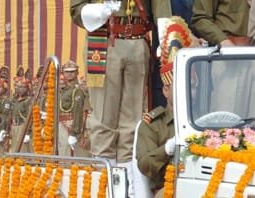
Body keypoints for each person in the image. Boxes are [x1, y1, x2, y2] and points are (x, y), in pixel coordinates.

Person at [70, 0, 172, 168]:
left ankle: (128, 180)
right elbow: (76, 9)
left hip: (138, 40)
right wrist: (100, 11)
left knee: (133, 118)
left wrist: (165, 39)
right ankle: (106, 179)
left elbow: (161, 6)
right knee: (104, 116)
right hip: (104, 40)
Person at [136, 20, 199, 198]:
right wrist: (167, 149)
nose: (187, 91)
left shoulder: (203, 121)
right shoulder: (153, 124)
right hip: (168, 190)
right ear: (165, 90)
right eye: (179, 86)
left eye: (191, 86)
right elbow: (145, 165)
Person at [59, 61, 92, 157]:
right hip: (62, 125)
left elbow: (78, 112)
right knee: (63, 155)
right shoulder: (64, 90)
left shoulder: (77, 90)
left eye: (72, 71)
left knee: (73, 156)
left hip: (72, 126)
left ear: (77, 72)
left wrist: (74, 133)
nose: (69, 74)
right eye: (67, 72)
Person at [11, 66, 33, 153]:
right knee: (15, 150)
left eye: (23, 87)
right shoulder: (16, 100)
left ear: (27, 88)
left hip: (23, 127)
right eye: (18, 87)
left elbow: (30, 118)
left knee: (23, 150)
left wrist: (28, 132)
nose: (20, 89)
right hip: (15, 126)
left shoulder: (28, 100)